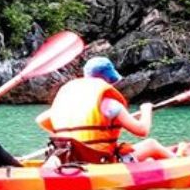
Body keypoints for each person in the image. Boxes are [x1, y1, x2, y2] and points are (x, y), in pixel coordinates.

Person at [35, 57, 178, 164]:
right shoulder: (110, 104)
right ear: (108, 78)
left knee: (141, 156)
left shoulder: (70, 100)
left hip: (70, 157)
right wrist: (145, 110)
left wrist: (70, 132)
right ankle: (182, 164)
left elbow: (41, 120)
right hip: (100, 160)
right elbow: (142, 131)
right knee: (151, 144)